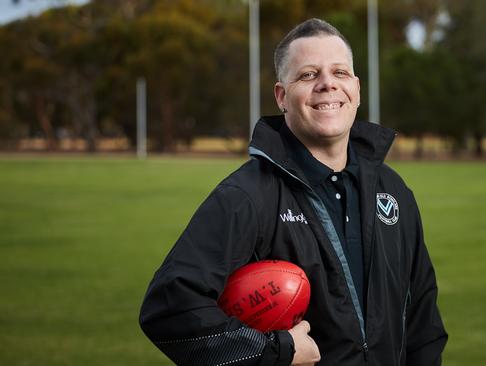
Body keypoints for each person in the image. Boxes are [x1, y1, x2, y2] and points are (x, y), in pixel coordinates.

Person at [139, 18, 447, 365]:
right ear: (282, 96)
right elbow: (169, 309)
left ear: (357, 89)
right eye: (308, 75)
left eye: (340, 73)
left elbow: (423, 318)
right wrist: (276, 351)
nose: (327, 85)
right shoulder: (247, 196)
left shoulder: (394, 192)